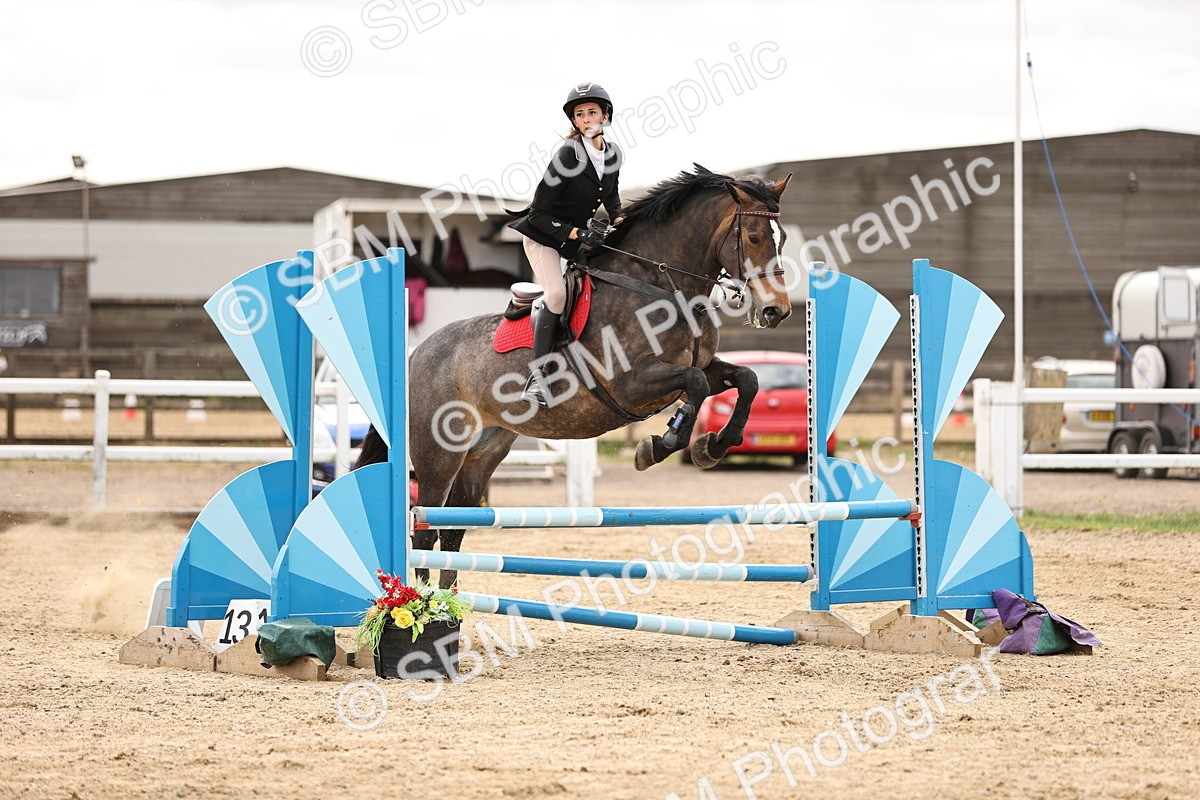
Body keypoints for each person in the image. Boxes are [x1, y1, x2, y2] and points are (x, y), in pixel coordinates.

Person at [508, 82, 625, 405]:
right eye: (580, 114)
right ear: (574, 121)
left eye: (592, 112)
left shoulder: (612, 153)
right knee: (557, 295)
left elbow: (612, 195)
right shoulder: (567, 154)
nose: (587, 118)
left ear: (605, 115)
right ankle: (537, 377)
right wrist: (577, 233)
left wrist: (620, 221)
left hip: (577, 238)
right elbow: (538, 214)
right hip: (544, 235)